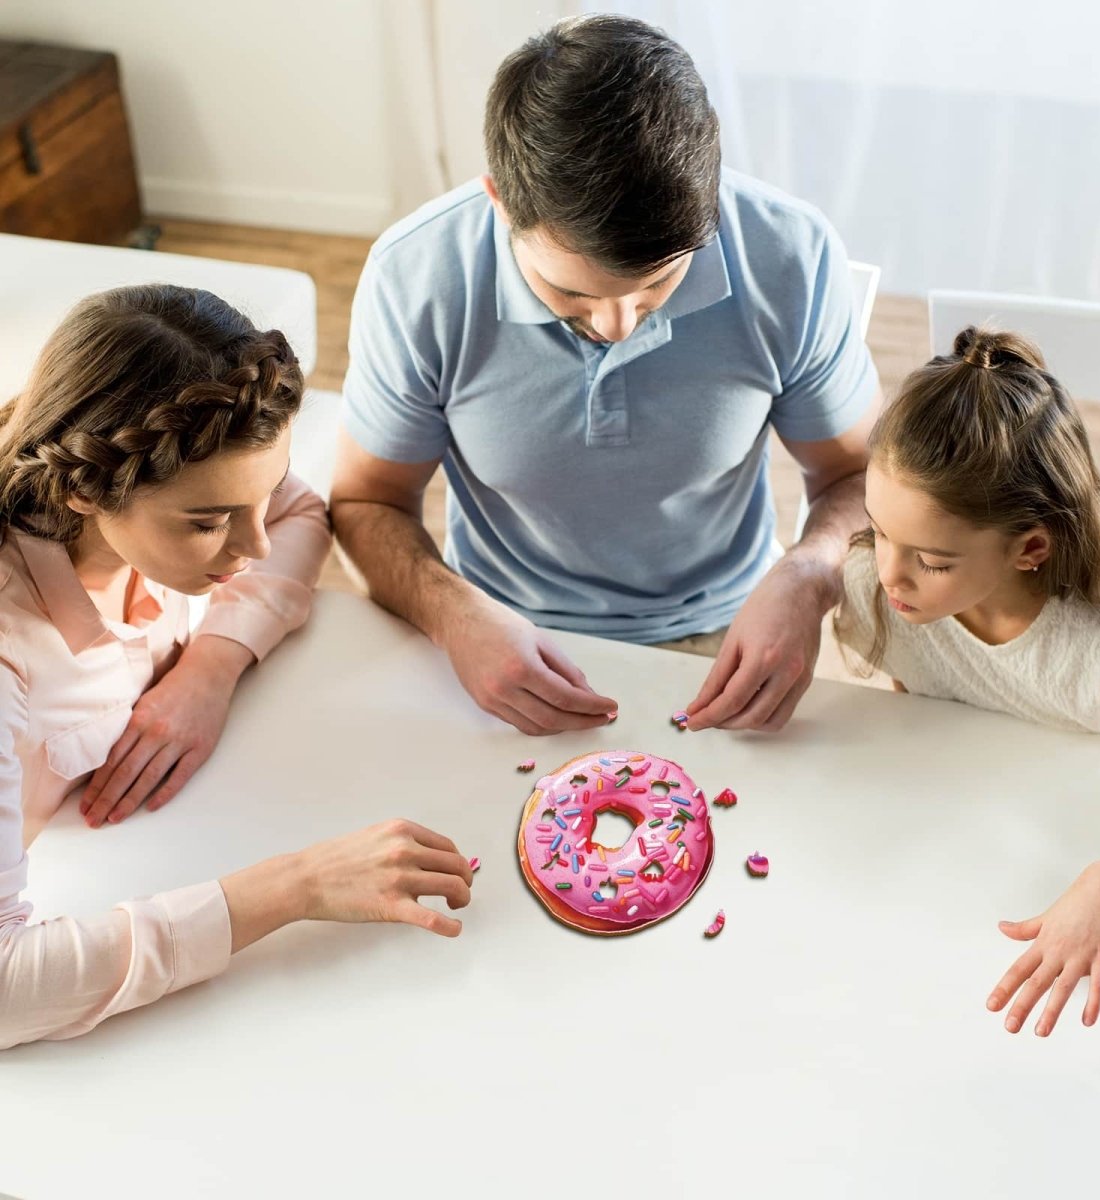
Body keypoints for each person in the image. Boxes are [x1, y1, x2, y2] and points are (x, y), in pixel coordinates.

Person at [330, 14, 881, 736]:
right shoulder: (416, 278)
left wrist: (809, 579)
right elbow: (367, 503)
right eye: (573, 295)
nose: (619, 326)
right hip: (494, 632)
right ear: (500, 202)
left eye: (657, 288)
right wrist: (450, 613)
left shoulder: (790, 255)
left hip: (730, 629)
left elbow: (860, 479)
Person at [0, 286, 473, 1050]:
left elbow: (296, 514)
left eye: (255, 497)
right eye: (209, 522)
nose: (250, 549)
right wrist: (297, 886)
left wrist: (210, 669)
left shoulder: (171, 481)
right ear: (84, 488)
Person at [834, 325, 1100, 1038]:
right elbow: (934, 711)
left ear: (1031, 548)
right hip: (991, 833)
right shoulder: (880, 592)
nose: (888, 575)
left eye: (931, 561)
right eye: (878, 531)